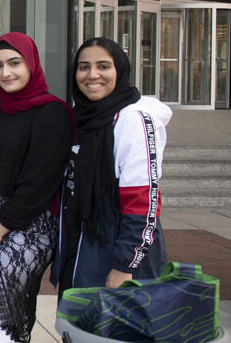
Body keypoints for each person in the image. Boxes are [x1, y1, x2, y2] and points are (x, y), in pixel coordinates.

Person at [0, 32, 73, 343]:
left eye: (14, 63)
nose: (5, 73)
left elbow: (39, 182)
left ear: (31, 64)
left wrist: (0, 230)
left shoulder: (52, 112)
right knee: (3, 313)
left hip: (27, 223)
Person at [56, 37, 171, 291]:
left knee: (114, 329)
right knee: (76, 326)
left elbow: (143, 201)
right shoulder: (80, 120)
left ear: (120, 70)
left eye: (103, 66)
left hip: (118, 253)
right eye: (84, 67)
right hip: (82, 249)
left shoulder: (133, 120)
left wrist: (124, 266)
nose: (92, 75)